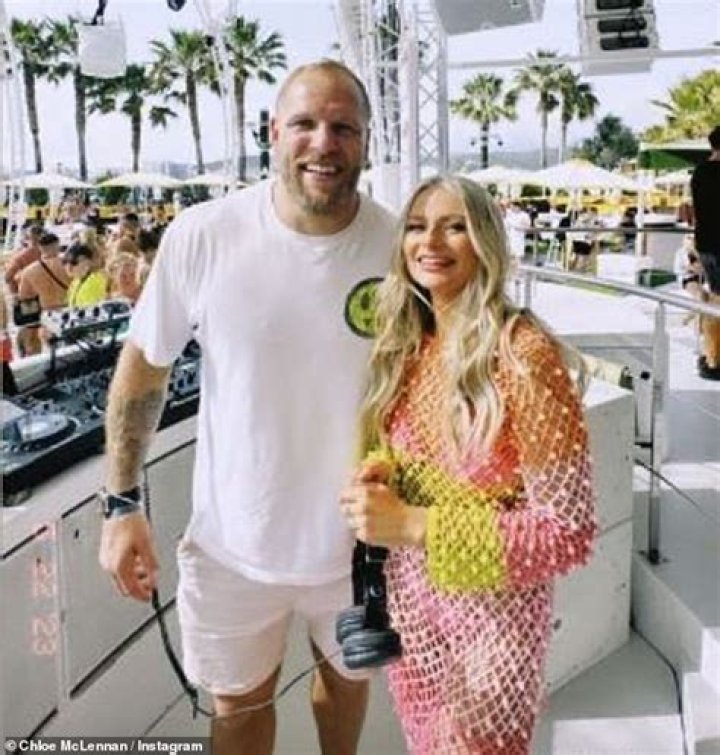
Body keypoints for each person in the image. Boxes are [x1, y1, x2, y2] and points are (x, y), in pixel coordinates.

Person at [98, 60, 396, 755]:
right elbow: (143, 369)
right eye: (305, 124)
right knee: (236, 707)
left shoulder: (398, 245)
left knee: (345, 684)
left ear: (365, 140)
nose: (324, 143)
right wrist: (120, 504)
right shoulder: (204, 234)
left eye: (343, 128)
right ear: (273, 132)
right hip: (232, 545)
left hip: (359, 547)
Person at [340, 175, 597, 754]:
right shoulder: (412, 342)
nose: (430, 242)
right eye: (416, 227)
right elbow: (411, 448)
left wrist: (412, 524)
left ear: (486, 240)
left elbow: (568, 532)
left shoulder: (522, 353)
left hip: (494, 620)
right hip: (412, 605)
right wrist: (383, 472)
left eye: (455, 227)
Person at [690, 125, 720, 380]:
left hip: (706, 243)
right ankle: (714, 358)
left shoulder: (699, 172)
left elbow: (696, 211)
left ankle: (712, 356)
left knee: (715, 297)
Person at [16, 232, 71, 355]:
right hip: (71, 310)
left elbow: (24, 297)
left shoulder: (29, 271)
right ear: (57, 245)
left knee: (54, 353)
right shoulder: (70, 265)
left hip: (48, 315)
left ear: (40, 248)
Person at [63, 242, 109, 308]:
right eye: (65, 262)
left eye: (74, 262)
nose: (68, 267)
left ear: (87, 262)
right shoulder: (76, 281)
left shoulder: (96, 280)